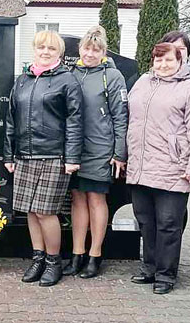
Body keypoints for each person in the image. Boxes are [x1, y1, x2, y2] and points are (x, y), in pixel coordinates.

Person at [126, 42, 190, 295]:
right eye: (158, 60)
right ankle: (150, 267)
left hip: (173, 168)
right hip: (141, 166)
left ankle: (166, 274)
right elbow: (128, 120)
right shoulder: (142, 82)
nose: (163, 65)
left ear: (180, 61)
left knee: (169, 224)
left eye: (168, 60)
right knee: (145, 221)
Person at [3, 30, 83, 288]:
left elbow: (75, 121)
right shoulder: (23, 80)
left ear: (59, 52)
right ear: (34, 50)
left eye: (51, 49)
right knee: (29, 210)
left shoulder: (67, 80)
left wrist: (71, 157)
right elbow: (11, 119)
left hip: (54, 155)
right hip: (25, 155)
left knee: (45, 211)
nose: (45, 52)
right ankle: (37, 258)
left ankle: (53, 261)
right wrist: (9, 153)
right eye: (41, 48)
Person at [64, 25, 128, 279]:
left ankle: (95, 254)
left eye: (96, 49)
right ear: (80, 49)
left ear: (103, 51)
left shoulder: (113, 77)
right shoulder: (72, 73)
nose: (90, 53)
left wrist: (119, 153)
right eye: (86, 48)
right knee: (77, 199)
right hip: (74, 149)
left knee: (96, 200)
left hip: (101, 149)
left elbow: (121, 116)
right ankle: (77, 254)